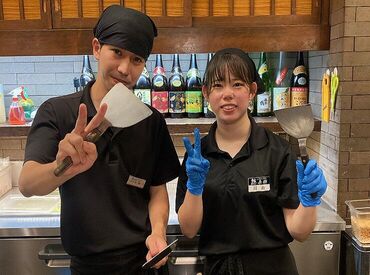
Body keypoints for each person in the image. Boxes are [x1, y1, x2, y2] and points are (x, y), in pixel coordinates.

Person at [19, 5, 180, 275]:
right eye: (116, 52)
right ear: (96, 48)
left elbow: (156, 190)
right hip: (88, 266)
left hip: (144, 263)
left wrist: (158, 232)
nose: (125, 68)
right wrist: (64, 167)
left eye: (137, 59)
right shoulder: (58, 112)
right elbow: (27, 184)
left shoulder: (150, 120)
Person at [175, 48, 327, 275]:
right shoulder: (197, 155)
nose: (227, 94)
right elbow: (189, 229)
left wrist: (309, 201)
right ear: (206, 93)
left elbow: (299, 232)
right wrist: (195, 188)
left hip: (273, 268)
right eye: (218, 85)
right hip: (218, 268)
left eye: (237, 84)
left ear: (252, 90)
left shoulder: (278, 151)